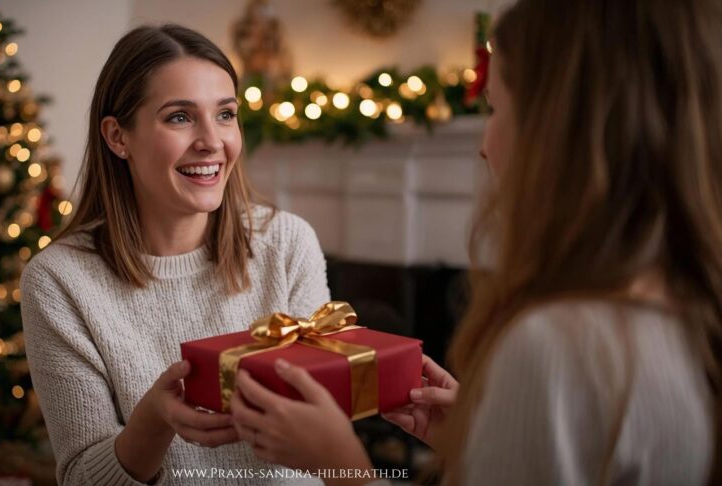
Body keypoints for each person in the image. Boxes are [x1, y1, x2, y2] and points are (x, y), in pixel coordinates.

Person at [230, 0, 722, 484]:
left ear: (558, 132)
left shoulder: (557, 345)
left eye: (495, 107)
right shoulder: (687, 310)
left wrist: (341, 464)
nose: (485, 145)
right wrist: (480, 439)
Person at [20, 24, 330, 485]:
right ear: (117, 137)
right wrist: (153, 421)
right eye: (180, 117)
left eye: (225, 115)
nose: (212, 141)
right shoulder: (59, 281)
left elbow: (327, 441)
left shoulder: (287, 243)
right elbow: (83, 478)